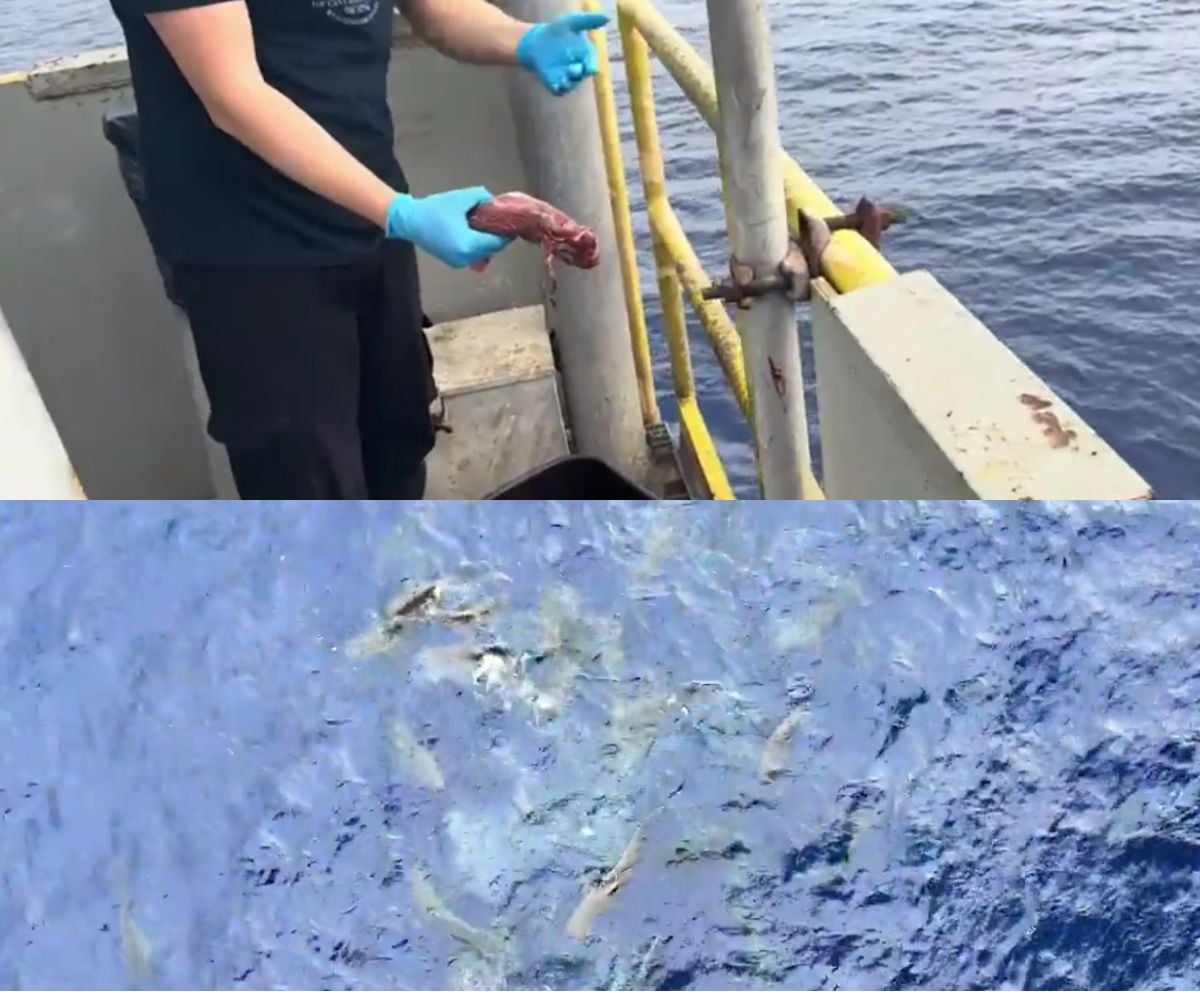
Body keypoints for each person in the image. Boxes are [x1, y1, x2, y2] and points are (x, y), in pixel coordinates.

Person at [107, 0, 608, 499]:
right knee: (307, 486)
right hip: (253, 255)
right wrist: (398, 211)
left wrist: (522, 39)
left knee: (400, 445)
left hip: (370, 221)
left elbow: (439, 11)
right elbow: (233, 94)